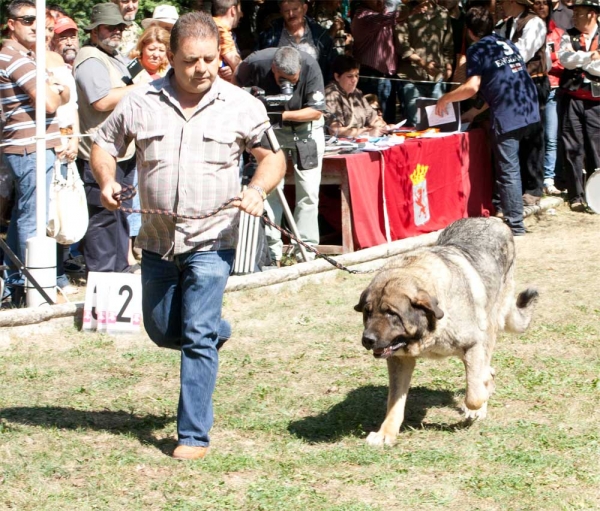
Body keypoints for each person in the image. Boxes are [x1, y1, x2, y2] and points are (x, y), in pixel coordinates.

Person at [91, 11, 285, 460]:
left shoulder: (241, 104)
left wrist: (256, 189)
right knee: (162, 330)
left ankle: (193, 435)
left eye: (209, 59)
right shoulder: (141, 102)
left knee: (195, 335)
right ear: (170, 58)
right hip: (157, 239)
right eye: (190, 60)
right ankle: (218, 329)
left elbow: (272, 158)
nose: (202, 69)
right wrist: (106, 181)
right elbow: (103, 144)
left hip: (213, 239)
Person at [435, 6, 540, 236]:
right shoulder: (506, 43)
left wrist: (445, 98)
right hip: (528, 108)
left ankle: (515, 224)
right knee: (514, 165)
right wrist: (473, 113)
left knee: (508, 170)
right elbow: (500, 83)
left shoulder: (477, 49)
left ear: (470, 31)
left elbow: (472, 87)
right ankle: (508, 209)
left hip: (508, 114)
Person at [1, 0, 69, 300]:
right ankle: (25, 290)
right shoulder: (13, 57)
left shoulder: (28, 57)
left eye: (39, 20)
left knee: (22, 217)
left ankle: (12, 285)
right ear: (11, 23)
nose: (34, 26)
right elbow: (52, 101)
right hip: (29, 147)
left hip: (32, 146)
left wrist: (54, 88)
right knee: (33, 218)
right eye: (27, 19)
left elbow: (64, 94)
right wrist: (53, 86)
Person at [235, 46, 327, 264]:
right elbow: (235, 90)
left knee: (308, 190)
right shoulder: (255, 62)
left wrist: (281, 113)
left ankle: (306, 250)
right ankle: (271, 250)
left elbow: (316, 111)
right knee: (271, 189)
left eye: (294, 81)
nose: (290, 85)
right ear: (273, 68)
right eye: (284, 80)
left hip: (306, 128)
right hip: (270, 129)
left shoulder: (310, 65)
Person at [73, 3, 141, 274]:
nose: (116, 32)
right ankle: (102, 280)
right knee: (102, 219)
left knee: (120, 215)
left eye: (119, 27)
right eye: (109, 27)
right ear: (93, 31)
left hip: (121, 151)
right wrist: (142, 89)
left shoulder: (114, 56)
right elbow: (101, 101)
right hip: (98, 153)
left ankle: (120, 273)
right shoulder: (90, 58)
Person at [495, 0, 548, 206]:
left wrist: (500, 59)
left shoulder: (534, 23)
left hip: (534, 83)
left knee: (533, 136)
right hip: (512, 85)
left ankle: (534, 188)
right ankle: (516, 187)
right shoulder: (504, 26)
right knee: (515, 136)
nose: (501, 4)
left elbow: (522, 54)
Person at [557, 0, 600, 211]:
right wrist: (589, 57)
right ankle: (576, 195)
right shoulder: (569, 34)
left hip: (596, 102)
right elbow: (564, 59)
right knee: (572, 147)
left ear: (592, 14)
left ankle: (596, 195)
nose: (575, 17)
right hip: (572, 98)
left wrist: (581, 60)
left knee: (596, 148)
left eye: (580, 13)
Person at [395, 0, 454, 127]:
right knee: (417, 123)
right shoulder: (405, 10)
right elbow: (402, 46)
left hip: (437, 77)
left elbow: (448, 45)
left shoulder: (443, 13)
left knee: (438, 122)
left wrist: (448, 66)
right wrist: (423, 64)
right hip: (412, 77)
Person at [534, 0, 566, 195]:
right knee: (535, 136)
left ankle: (548, 178)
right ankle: (535, 177)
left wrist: (550, 61)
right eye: (536, 3)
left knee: (551, 136)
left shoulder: (558, 34)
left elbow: (564, 62)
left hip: (553, 88)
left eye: (543, 3)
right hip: (533, 89)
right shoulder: (528, 32)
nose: (540, 7)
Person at [258, 0, 335, 82]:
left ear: (304, 9)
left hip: (313, 89)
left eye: (295, 9)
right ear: (281, 12)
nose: (291, 14)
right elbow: (259, 64)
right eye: (286, 11)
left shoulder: (320, 35)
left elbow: (332, 67)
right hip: (278, 89)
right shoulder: (270, 35)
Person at [350, 0, 400, 124]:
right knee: (373, 120)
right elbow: (390, 17)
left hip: (388, 77)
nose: (380, 1)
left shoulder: (383, 14)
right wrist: (408, 10)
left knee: (389, 121)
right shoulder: (363, 16)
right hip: (371, 76)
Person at [325, 55, 394, 136]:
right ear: (337, 76)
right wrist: (366, 132)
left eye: (357, 75)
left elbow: (374, 120)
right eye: (350, 76)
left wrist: (385, 127)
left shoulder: (357, 93)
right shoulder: (331, 95)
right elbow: (335, 130)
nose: (354, 80)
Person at [212, 0, 244, 82]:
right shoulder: (219, 29)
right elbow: (237, 65)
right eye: (240, 10)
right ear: (233, 10)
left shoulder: (214, 25)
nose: (241, 15)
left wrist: (232, 71)